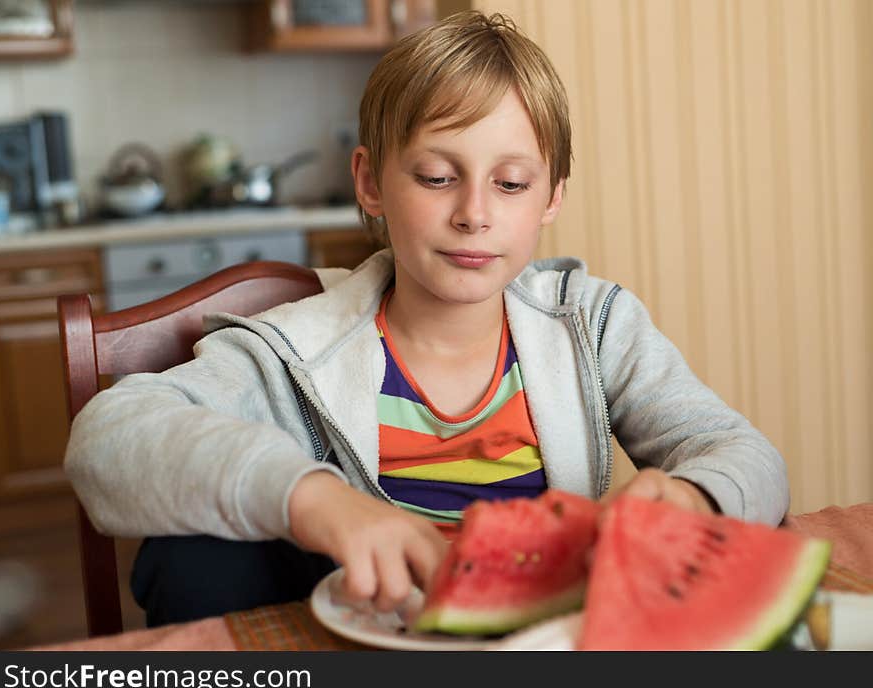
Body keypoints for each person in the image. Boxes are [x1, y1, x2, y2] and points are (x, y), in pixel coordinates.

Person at [64, 11, 788, 627]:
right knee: (191, 556)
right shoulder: (295, 349)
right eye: (438, 177)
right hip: (354, 647)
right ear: (372, 182)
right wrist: (312, 498)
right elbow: (105, 438)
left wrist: (690, 492)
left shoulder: (595, 326)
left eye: (510, 183)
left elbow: (749, 456)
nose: (474, 213)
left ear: (552, 197)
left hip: (549, 640)